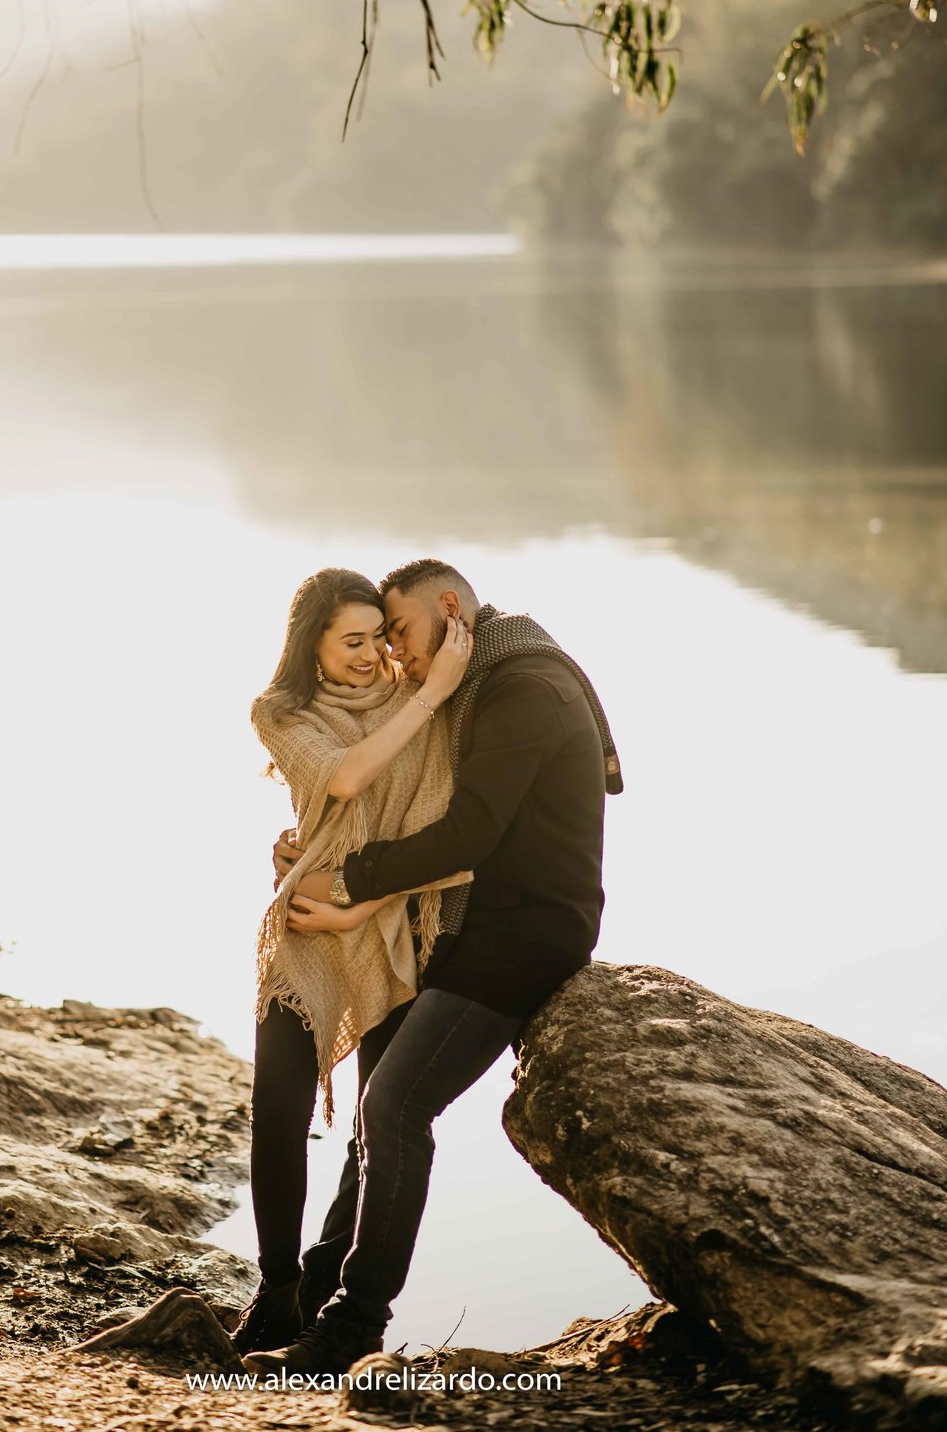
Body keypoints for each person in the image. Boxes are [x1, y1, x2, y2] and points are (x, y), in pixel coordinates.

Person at [244, 557, 622, 1383]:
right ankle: (312, 1295)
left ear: (449, 609)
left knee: (392, 1106)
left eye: (401, 634)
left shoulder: (520, 686)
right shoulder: (487, 677)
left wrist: (346, 889)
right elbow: (390, 796)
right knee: (385, 1110)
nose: (398, 657)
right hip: (473, 925)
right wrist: (314, 847)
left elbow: (469, 831)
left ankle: (349, 1327)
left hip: (522, 936)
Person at [233, 566, 474, 1356]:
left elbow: (451, 837)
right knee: (278, 1112)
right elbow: (340, 778)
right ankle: (275, 1290)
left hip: (396, 931)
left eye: (378, 637)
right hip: (307, 930)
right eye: (352, 641)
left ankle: (326, 1278)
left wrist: (429, 695)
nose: (372, 655)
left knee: (378, 1125)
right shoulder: (282, 711)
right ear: (315, 645)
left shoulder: (419, 702)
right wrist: (431, 695)